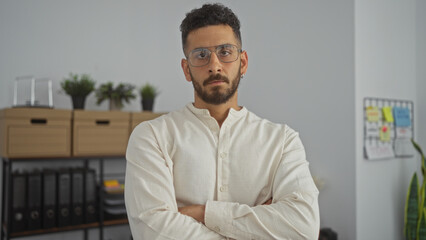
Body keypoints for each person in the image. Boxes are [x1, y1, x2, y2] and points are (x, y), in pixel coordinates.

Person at [125, 3, 319, 240]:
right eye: (201, 55)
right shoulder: (152, 136)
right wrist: (258, 221)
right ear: (187, 69)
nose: (214, 65)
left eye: (225, 52)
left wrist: (202, 213)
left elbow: (304, 229)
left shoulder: (282, 141)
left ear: (243, 62)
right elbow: (151, 232)